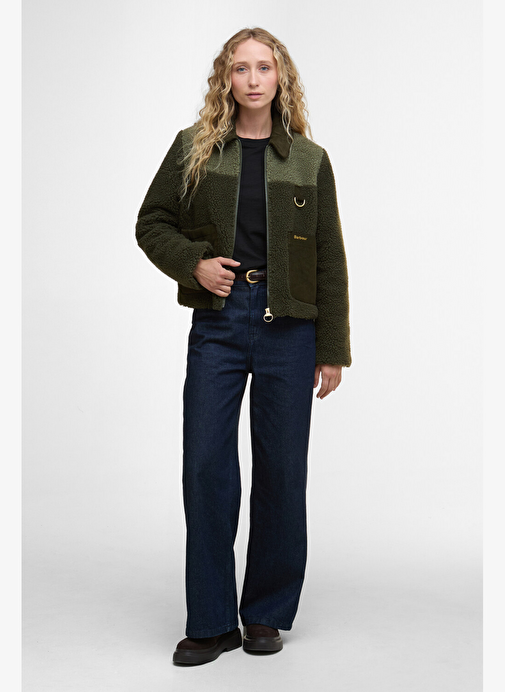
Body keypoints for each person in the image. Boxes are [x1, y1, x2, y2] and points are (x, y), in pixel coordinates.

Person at [135, 27, 351, 666]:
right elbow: (151, 223)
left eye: (264, 67)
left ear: (281, 77)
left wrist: (332, 346)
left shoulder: (309, 160)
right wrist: (195, 264)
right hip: (220, 323)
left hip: (291, 329)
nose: (252, 79)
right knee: (205, 466)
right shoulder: (194, 148)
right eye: (240, 68)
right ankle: (209, 620)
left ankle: (264, 614)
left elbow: (331, 258)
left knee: (281, 471)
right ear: (224, 79)